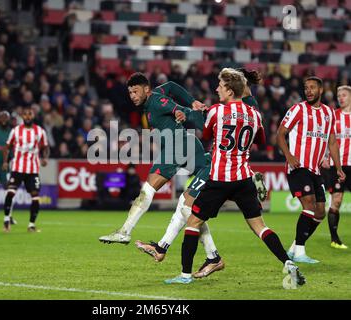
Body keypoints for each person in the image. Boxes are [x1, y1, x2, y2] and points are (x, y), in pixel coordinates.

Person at [165, 68, 305, 287]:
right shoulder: (255, 114)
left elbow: (208, 134)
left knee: (193, 223)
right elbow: (260, 140)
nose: (216, 89)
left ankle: (184, 276)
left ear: (229, 90)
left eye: (220, 86)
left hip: (219, 179)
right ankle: (287, 262)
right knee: (260, 227)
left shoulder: (218, 111)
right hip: (243, 178)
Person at [134, 69, 267, 278]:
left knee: (190, 209)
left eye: (221, 85)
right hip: (223, 166)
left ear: (234, 87)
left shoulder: (235, 108)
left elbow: (210, 127)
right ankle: (162, 248)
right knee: (185, 205)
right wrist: (189, 112)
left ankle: (212, 258)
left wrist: (187, 113)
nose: (218, 88)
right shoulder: (247, 108)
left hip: (222, 168)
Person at [99, 73, 222, 269]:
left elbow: (180, 111)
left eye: (135, 91)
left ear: (146, 89)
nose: (132, 95)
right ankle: (213, 256)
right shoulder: (157, 94)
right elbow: (172, 85)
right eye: (130, 92)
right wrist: (192, 100)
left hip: (178, 146)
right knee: (189, 207)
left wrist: (190, 111)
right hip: (190, 146)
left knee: (148, 188)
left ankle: (125, 231)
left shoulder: (156, 101)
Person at [277, 77, 346, 263]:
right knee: (308, 204)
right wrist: (289, 156)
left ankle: (293, 248)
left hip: (315, 170)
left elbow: (332, 142)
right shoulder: (298, 109)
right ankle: (300, 252)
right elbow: (280, 134)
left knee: (320, 212)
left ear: (321, 90)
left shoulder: (329, 113)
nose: (308, 91)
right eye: (306, 87)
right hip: (298, 167)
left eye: (312, 87)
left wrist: (338, 167)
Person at [2, 107, 50, 232]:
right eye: (25, 114)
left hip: (33, 170)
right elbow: (6, 147)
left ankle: (31, 225)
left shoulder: (40, 131)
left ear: (33, 116)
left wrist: (45, 158)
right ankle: (6, 219)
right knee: (10, 193)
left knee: (35, 196)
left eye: (30, 114)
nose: (28, 116)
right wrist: (5, 162)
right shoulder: (15, 131)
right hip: (17, 168)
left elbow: (45, 147)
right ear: (22, 116)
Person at [323, 85, 351, 249]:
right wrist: (324, 156)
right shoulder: (333, 116)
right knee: (337, 199)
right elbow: (325, 138)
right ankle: (334, 239)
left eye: (344, 95)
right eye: (339, 95)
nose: (340, 98)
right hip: (336, 165)